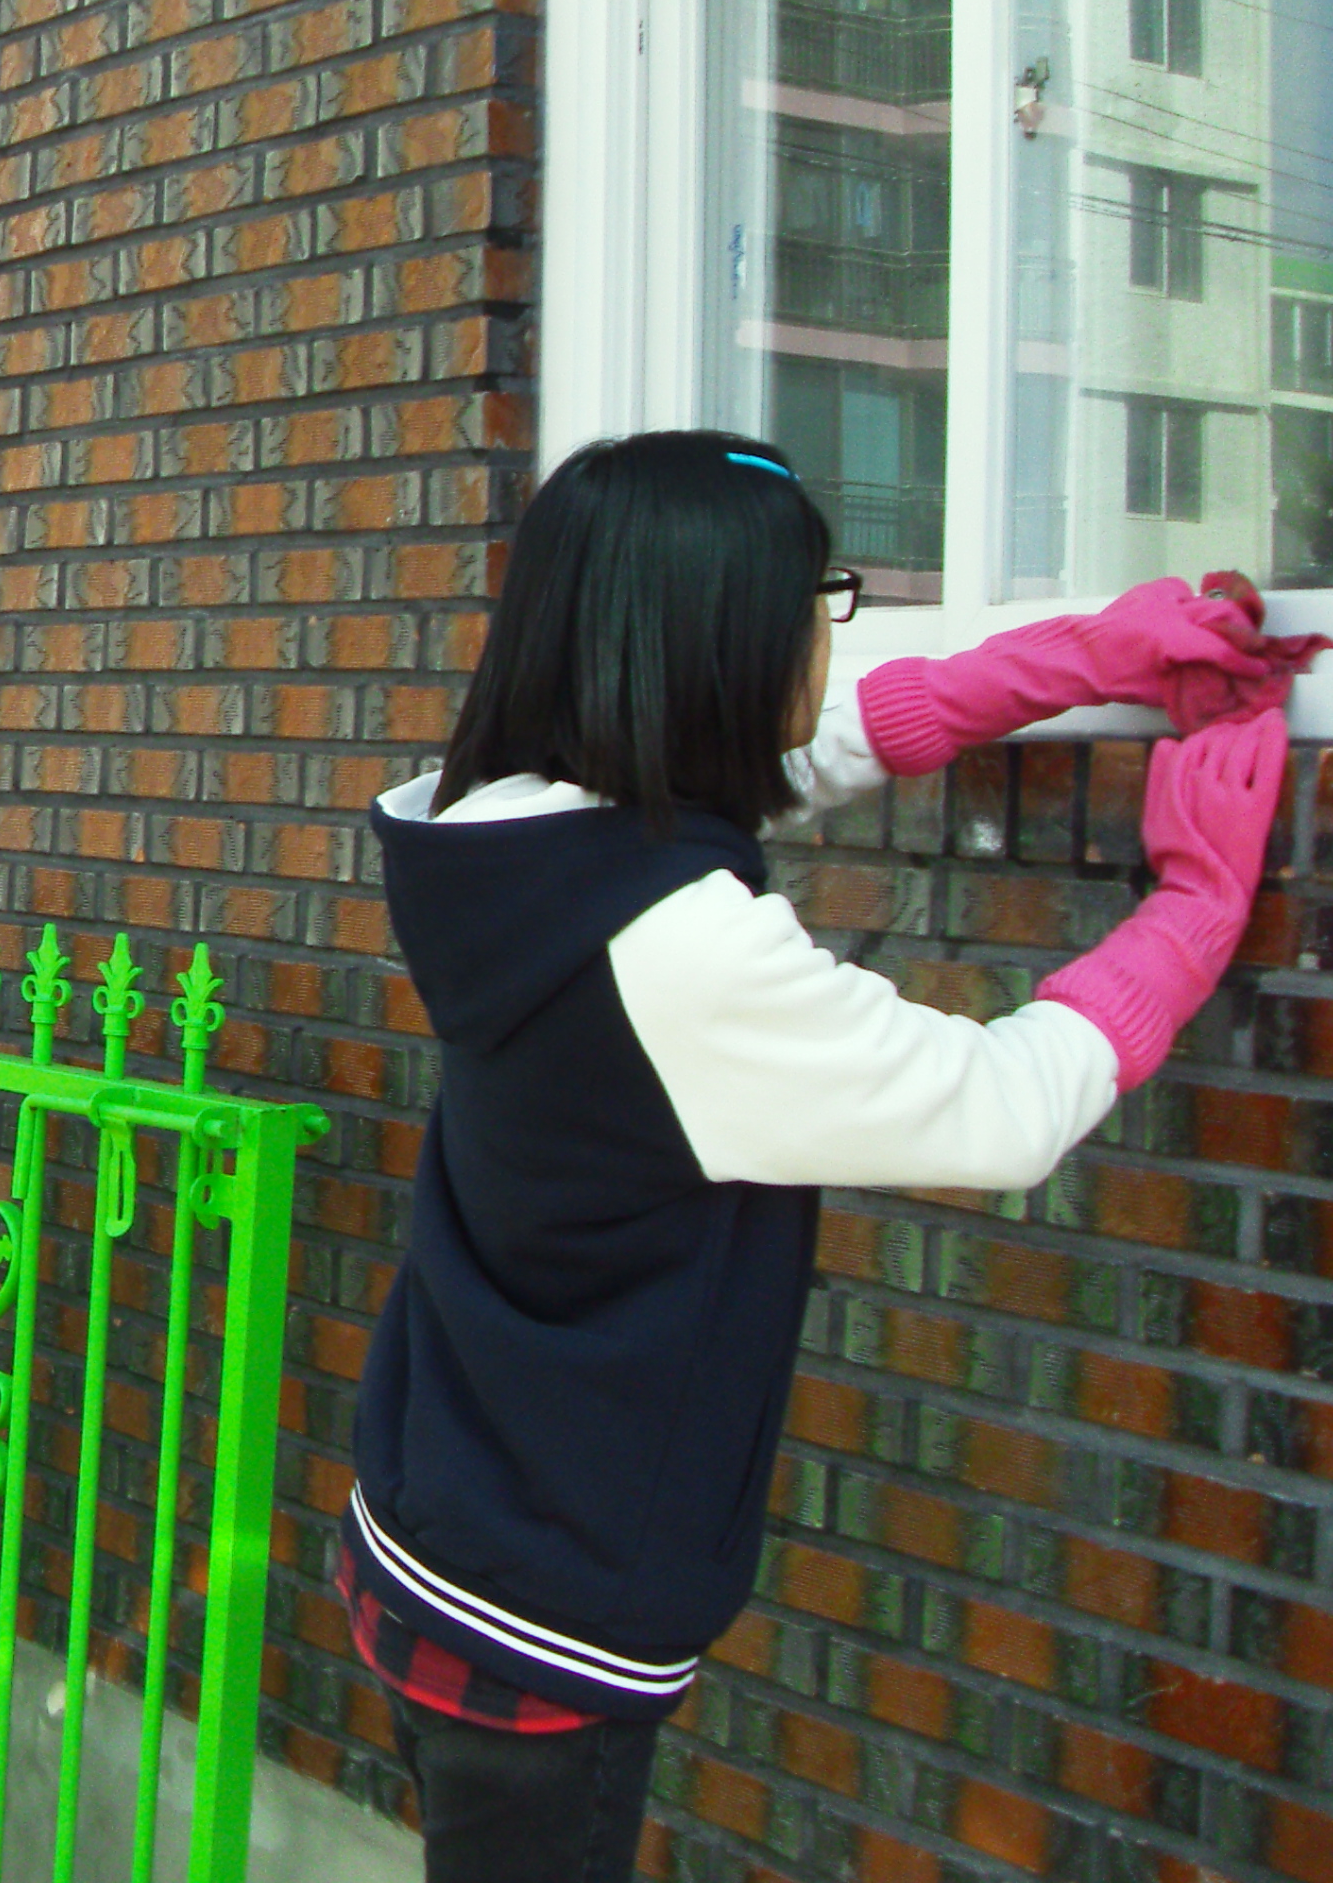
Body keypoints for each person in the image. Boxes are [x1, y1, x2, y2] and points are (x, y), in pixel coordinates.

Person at [339, 430, 1309, 1879]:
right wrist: (1196, 908)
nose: (829, 631)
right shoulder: (683, 951)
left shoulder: (500, 828)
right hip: (544, 1608)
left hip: (438, 1510)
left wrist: (1069, 662)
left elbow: (780, 760)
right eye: (821, 600)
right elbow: (999, 1108)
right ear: (722, 642)